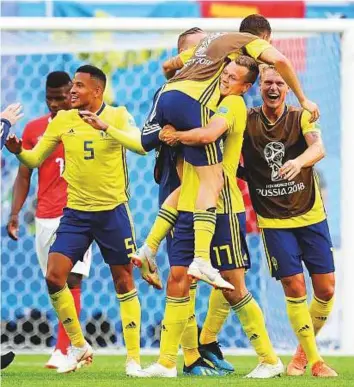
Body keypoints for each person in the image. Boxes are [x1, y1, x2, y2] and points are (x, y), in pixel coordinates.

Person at [137, 13, 320, 291]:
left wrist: (177, 94)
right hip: (193, 112)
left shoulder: (211, 47)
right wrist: (304, 99)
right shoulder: (247, 48)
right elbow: (281, 61)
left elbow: (167, 65)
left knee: (191, 185)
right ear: (264, 40)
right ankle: (200, 259)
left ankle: (149, 248)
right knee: (214, 182)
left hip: (167, 96)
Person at [136, 56, 283, 379]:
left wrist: (176, 134)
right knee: (178, 281)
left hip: (223, 206)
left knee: (232, 287)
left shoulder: (233, 104)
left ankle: (269, 360)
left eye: (233, 78)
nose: (225, 80)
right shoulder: (206, 98)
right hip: (188, 205)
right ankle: (165, 362)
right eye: (225, 74)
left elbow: (207, 134)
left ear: (246, 87)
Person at [5, 65, 144, 376]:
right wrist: (18, 152)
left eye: (79, 86)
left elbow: (141, 146)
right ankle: (78, 346)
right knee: (55, 277)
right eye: (73, 86)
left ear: (97, 91)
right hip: (76, 213)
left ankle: (134, 360)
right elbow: (34, 158)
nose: (72, 92)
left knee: (123, 281)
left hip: (113, 212)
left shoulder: (118, 114)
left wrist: (105, 126)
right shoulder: (64, 120)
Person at [241, 65, 337, 377]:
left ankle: (300, 353)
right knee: (294, 286)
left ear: (288, 88)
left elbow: (319, 147)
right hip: (273, 220)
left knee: (325, 289)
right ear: (259, 87)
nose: (273, 88)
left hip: (310, 213)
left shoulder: (301, 116)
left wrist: (298, 161)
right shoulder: (246, 120)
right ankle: (314, 360)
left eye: (279, 83)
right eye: (268, 82)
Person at [6, 71, 93, 370]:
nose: (55, 104)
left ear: (72, 93)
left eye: (61, 97)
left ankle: (64, 349)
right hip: (44, 216)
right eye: (50, 99)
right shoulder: (33, 130)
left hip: (78, 214)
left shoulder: (87, 124)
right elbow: (24, 173)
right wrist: (15, 213)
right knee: (54, 284)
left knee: (72, 278)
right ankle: (74, 348)